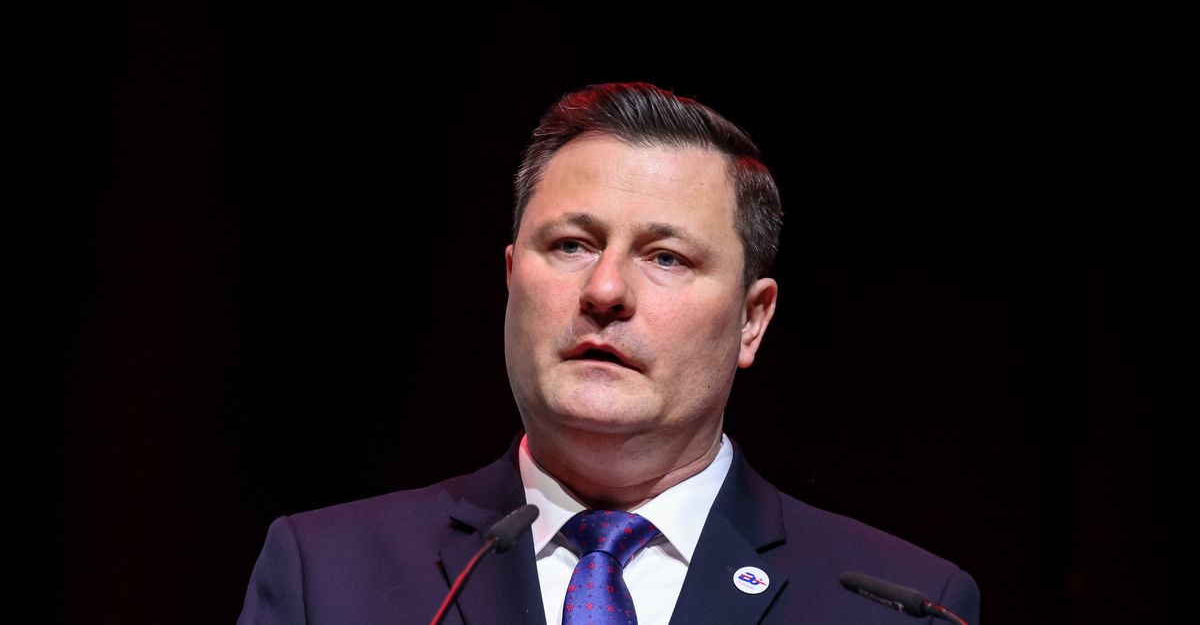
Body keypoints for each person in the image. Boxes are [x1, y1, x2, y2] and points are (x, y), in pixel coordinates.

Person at [236, 82, 981, 624]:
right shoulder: (328, 574)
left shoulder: (899, 605)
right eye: (571, 244)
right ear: (509, 281)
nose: (604, 289)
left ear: (752, 320)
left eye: (665, 257)